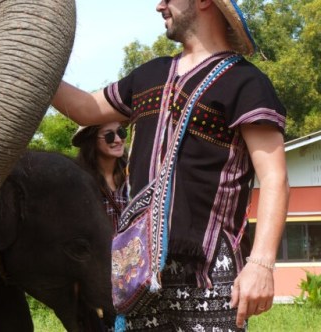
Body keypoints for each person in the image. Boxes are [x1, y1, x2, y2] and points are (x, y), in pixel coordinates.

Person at [51, 0, 288, 330]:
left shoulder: (246, 83)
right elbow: (85, 109)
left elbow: (274, 176)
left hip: (210, 273)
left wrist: (261, 264)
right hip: (142, 271)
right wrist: (25, 58)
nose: (159, 6)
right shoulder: (150, 74)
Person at [72, 122, 129, 232]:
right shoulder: (80, 182)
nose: (118, 140)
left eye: (121, 132)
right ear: (91, 140)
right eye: (109, 136)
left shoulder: (132, 176)